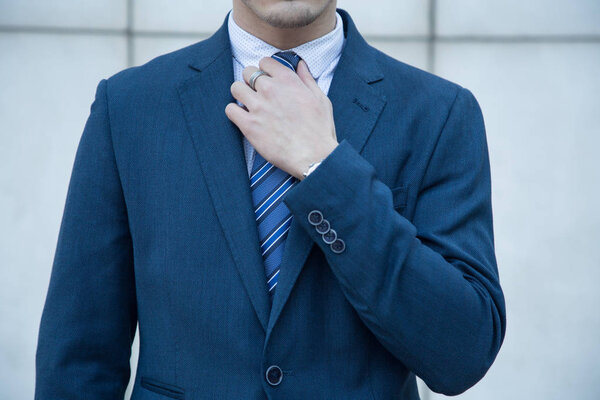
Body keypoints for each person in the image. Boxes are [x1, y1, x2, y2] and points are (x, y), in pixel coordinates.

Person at [34, 0, 506, 399]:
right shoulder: (130, 106)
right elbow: (78, 358)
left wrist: (326, 168)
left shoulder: (439, 114)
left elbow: (462, 352)